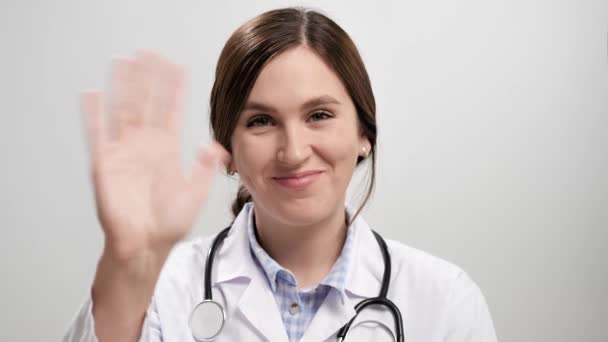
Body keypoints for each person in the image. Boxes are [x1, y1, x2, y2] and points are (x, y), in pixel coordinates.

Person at [63, 7, 498, 342]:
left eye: (319, 114)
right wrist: (127, 260)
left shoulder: (444, 300)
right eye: (261, 122)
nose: (293, 151)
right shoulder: (162, 288)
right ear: (227, 149)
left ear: (364, 133)